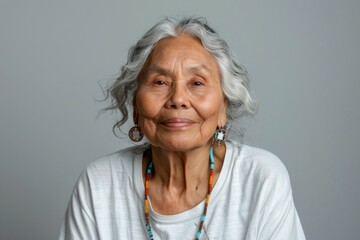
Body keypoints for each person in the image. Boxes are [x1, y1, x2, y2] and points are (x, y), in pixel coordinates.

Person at [59, 17, 306, 240]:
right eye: (160, 82)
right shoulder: (99, 185)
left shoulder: (261, 179)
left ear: (223, 107)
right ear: (135, 106)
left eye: (197, 83)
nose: (178, 98)